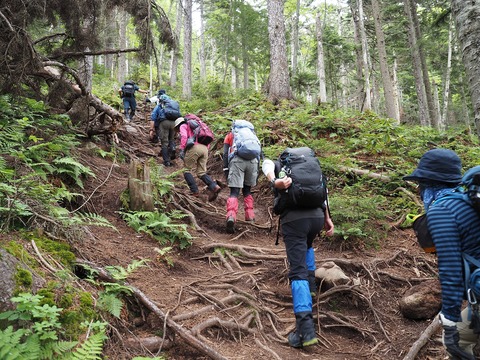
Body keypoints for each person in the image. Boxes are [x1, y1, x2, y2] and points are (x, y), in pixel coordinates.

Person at [403, 148, 480, 360]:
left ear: (428, 183)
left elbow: (451, 268)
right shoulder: (467, 200)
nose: (419, 189)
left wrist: (449, 318)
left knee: (458, 342)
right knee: (465, 338)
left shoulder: (442, 210)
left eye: (420, 183)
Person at [262, 153, 334, 348]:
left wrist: (274, 181)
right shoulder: (312, 167)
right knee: (308, 246)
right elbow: (323, 191)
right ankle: (310, 291)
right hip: (317, 218)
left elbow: (265, 164)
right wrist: (327, 218)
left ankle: (305, 330)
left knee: (297, 272)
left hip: (295, 221)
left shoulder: (280, 164)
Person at [222, 125, 260, 233]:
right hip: (253, 162)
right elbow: (259, 153)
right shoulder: (252, 135)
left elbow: (225, 153)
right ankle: (250, 217)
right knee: (247, 191)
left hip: (237, 161)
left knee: (234, 192)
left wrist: (225, 168)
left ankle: (231, 217)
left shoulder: (231, 135)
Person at [174, 117, 221, 201]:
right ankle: (214, 186)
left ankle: (194, 191)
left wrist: (182, 149)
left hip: (194, 147)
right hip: (205, 149)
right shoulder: (199, 126)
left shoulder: (183, 126)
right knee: (201, 172)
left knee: (186, 170)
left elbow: (184, 137)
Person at [151, 94, 176, 166]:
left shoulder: (159, 106)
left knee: (164, 142)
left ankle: (167, 161)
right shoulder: (173, 106)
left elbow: (153, 118)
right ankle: (173, 148)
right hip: (173, 123)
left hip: (164, 123)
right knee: (171, 139)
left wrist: (151, 129)